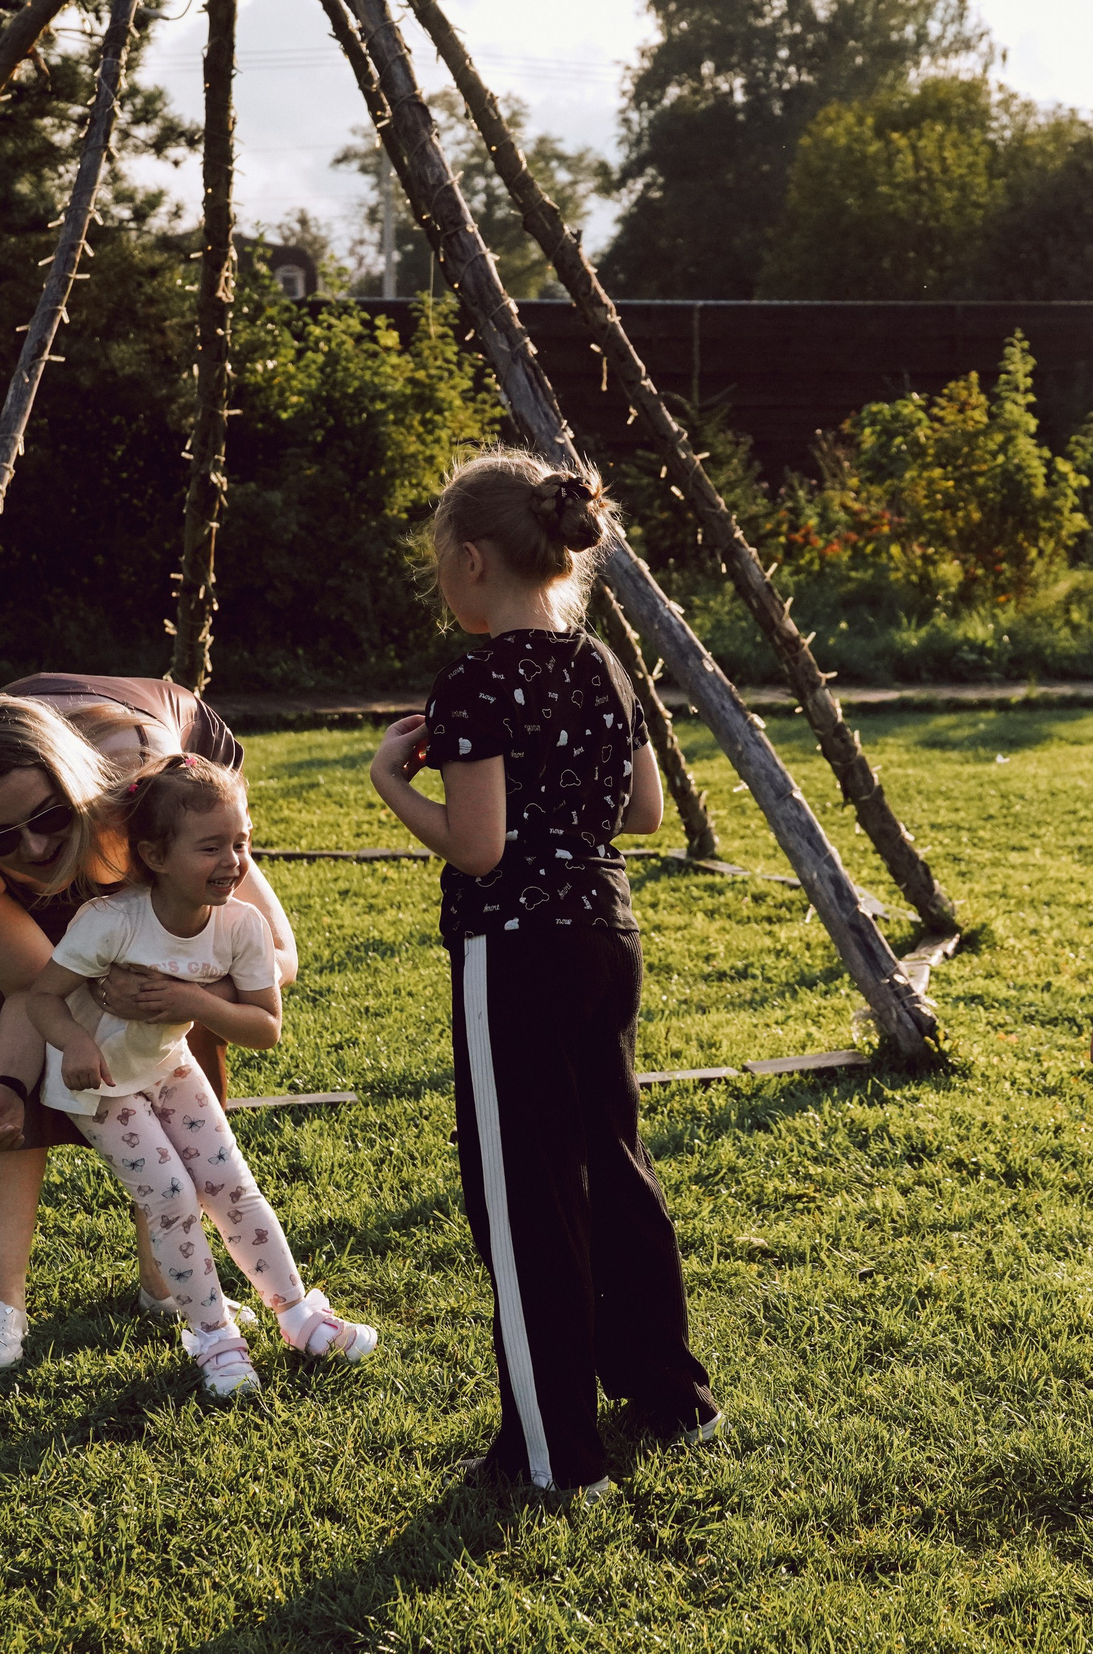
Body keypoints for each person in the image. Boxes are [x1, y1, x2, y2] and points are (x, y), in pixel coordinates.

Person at [369, 449, 724, 1499]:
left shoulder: (476, 680)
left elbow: (475, 848)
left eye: (440, 564)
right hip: (607, 940)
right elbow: (643, 813)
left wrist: (393, 780)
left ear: (472, 561)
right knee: (612, 1164)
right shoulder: (606, 664)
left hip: (512, 952)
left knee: (524, 1196)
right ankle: (671, 1396)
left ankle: (553, 1454)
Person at [0, 676, 299, 1374]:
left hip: (137, 765)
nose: (31, 847)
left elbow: (273, 958)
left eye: (47, 819)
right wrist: (7, 1080)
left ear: (77, 793)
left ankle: (165, 1279)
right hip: (68, 855)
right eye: (2, 835)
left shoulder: (143, 795)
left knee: (178, 1005)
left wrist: (179, 990)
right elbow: (35, 988)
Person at [22, 754, 378, 1396]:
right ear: (155, 855)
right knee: (172, 1198)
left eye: (241, 842)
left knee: (230, 1186)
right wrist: (73, 1044)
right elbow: (43, 997)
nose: (233, 862)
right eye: (211, 847)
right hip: (100, 1083)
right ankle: (212, 1337)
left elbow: (265, 1029)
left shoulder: (243, 926)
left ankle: (297, 1314)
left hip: (169, 1064)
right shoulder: (110, 923)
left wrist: (193, 1004)